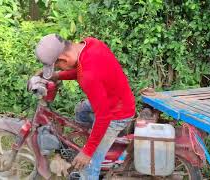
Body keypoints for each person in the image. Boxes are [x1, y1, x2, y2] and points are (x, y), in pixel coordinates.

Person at [34, 34, 136, 179]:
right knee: (81, 110)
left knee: (88, 165)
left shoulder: (88, 76)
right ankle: (94, 140)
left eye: (57, 65)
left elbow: (104, 116)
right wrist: (57, 75)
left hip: (117, 114)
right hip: (115, 99)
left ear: (64, 59)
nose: (58, 67)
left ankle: (94, 153)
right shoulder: (91, 43)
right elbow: (80, 70)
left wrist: (88, 152)